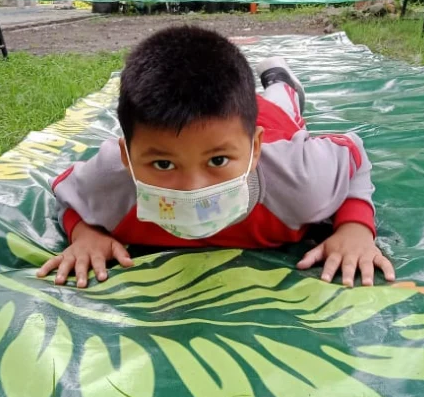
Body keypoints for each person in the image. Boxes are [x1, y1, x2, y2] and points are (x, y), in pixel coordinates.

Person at [40, 26, 395, 289]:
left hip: (272, 125)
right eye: (163, 164)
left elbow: (353, 154)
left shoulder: (300, 179)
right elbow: (67, 189)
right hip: (235, 131)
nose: (193, 188)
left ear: (254, 150)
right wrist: (84, 233)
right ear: (126, 158)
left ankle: (282, 82)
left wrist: (354, 228)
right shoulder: (111, 180)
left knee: (281, 107)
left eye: (217, 162)